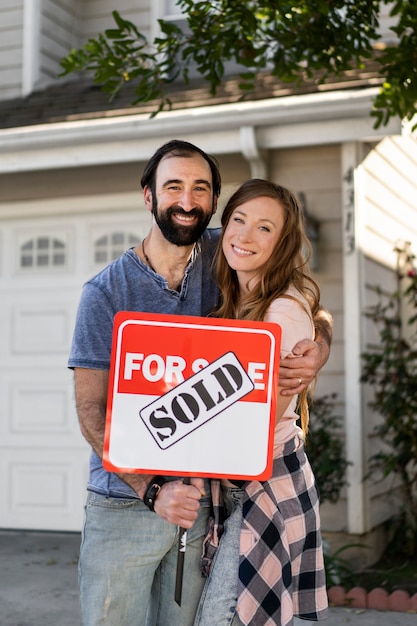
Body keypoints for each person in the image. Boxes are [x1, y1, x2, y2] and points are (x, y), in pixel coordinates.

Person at [68, 140, 331, 626]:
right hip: (125, 505)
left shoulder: (226, 252)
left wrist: (318, 345)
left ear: (213, 201)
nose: (187, 201)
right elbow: (91, 411)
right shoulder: (105, 293)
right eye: (173, 187)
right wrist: (151, 491)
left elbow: (295, 297)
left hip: (205, 508)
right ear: (148, 196)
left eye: (200, 189)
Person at [194, 179, 329, 626]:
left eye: (265, 228)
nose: (245, 236)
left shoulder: (279, 312)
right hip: (246, 484)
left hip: (266, 485)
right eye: (239, 220)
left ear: (283, 243)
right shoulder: (243, 298)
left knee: (225, 617)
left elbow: (253, 426)